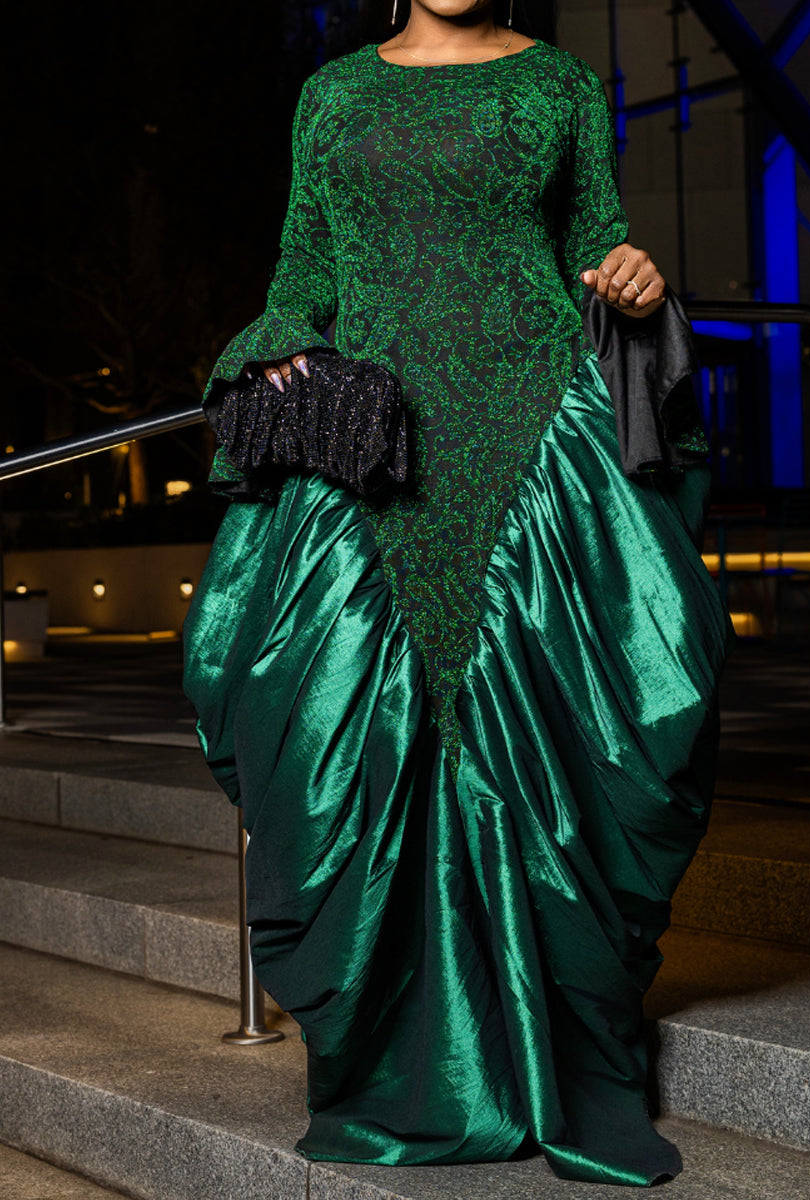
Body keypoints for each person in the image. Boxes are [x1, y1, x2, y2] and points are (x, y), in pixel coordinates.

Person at [183, 0, 732, 1186]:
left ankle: (561, 1050)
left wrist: (632, 276)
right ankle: (409, 1066)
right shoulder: (332, 93)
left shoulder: (558, 83)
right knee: (330, 736)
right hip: (375, 445)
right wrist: (282, 340)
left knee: (576, 744)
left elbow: (596, 240)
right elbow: (304, 268)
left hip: (534, 426)